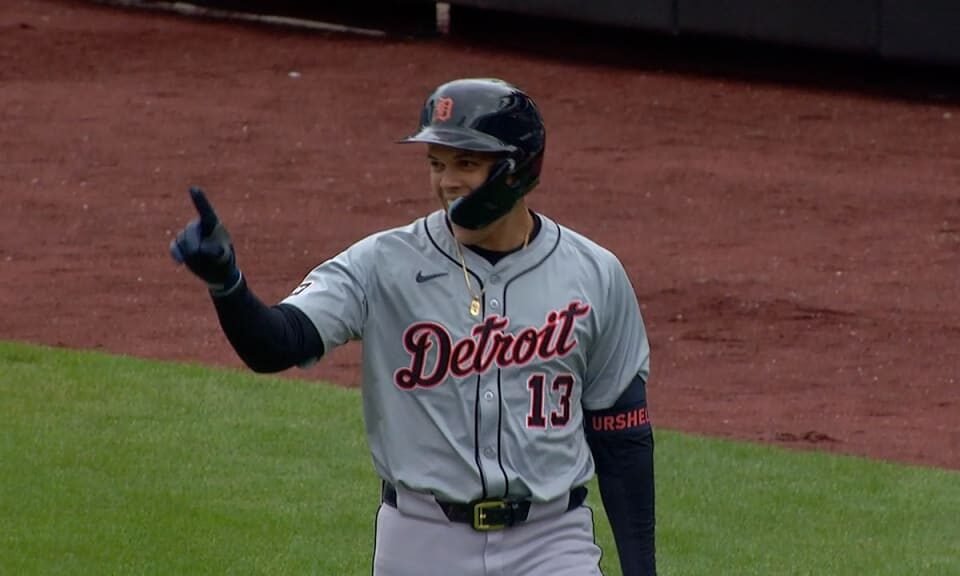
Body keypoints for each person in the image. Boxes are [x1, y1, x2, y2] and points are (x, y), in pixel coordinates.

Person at [170, 78, 656, 576]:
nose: (447, 182)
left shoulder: (594, 274)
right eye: (437, 164)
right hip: (421, 541)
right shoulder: (383, 263)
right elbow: (276, 344)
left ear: (517, 168)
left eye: (466, 163)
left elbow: (622, 437)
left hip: (551, 544)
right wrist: (227, 285)